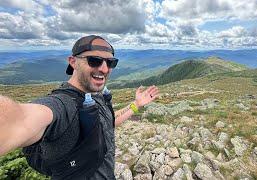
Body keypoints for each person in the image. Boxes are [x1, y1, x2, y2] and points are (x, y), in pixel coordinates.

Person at [0, 35, 159, 179]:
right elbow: (20, 119)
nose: (104, 68)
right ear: (73, 62)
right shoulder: (62, 105)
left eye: (110, 62)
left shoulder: (96, 96)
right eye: (94, 60)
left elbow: (108, 123)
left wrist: (136, 105)